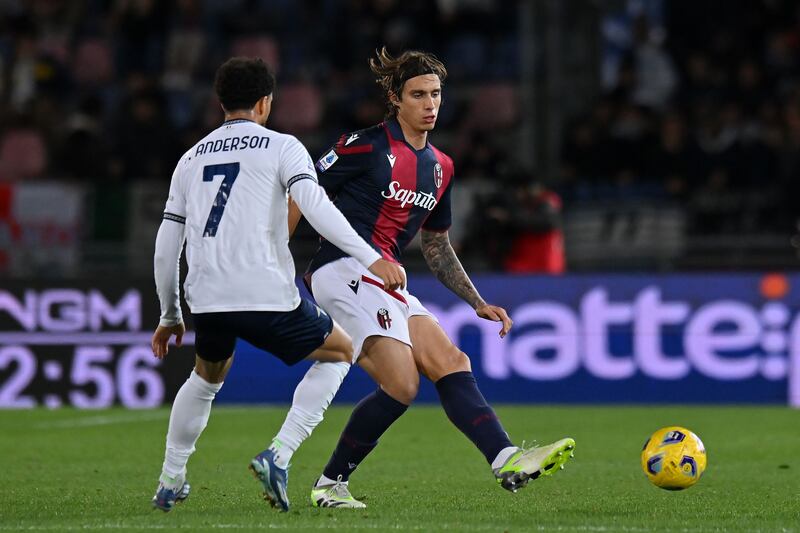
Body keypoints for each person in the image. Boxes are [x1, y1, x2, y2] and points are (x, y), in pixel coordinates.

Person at [263, 48, 575, 510]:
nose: (429, 104)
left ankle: (503, 458)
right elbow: (301, 192)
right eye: (418, 95)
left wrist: (476, 300)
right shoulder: (363, 144)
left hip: (387, 278)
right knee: (403, 383)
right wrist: (275, 261)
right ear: (395, 98)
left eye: (435, 94)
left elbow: (436, 245)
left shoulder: (441, 168)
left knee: (451, 360)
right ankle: (324, 480)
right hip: (344, 269)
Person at [149, 57, 406, 512]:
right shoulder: (282, 147)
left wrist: (170, 314)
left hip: (206, 295)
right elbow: (315, 205)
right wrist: (372, 257)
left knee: (206, 377)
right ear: (266, 102)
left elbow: (168, 242)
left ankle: (170, 480)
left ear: (220, 102)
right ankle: (278, 454)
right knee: (341, 351)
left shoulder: (190, 159)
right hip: (264, 291)